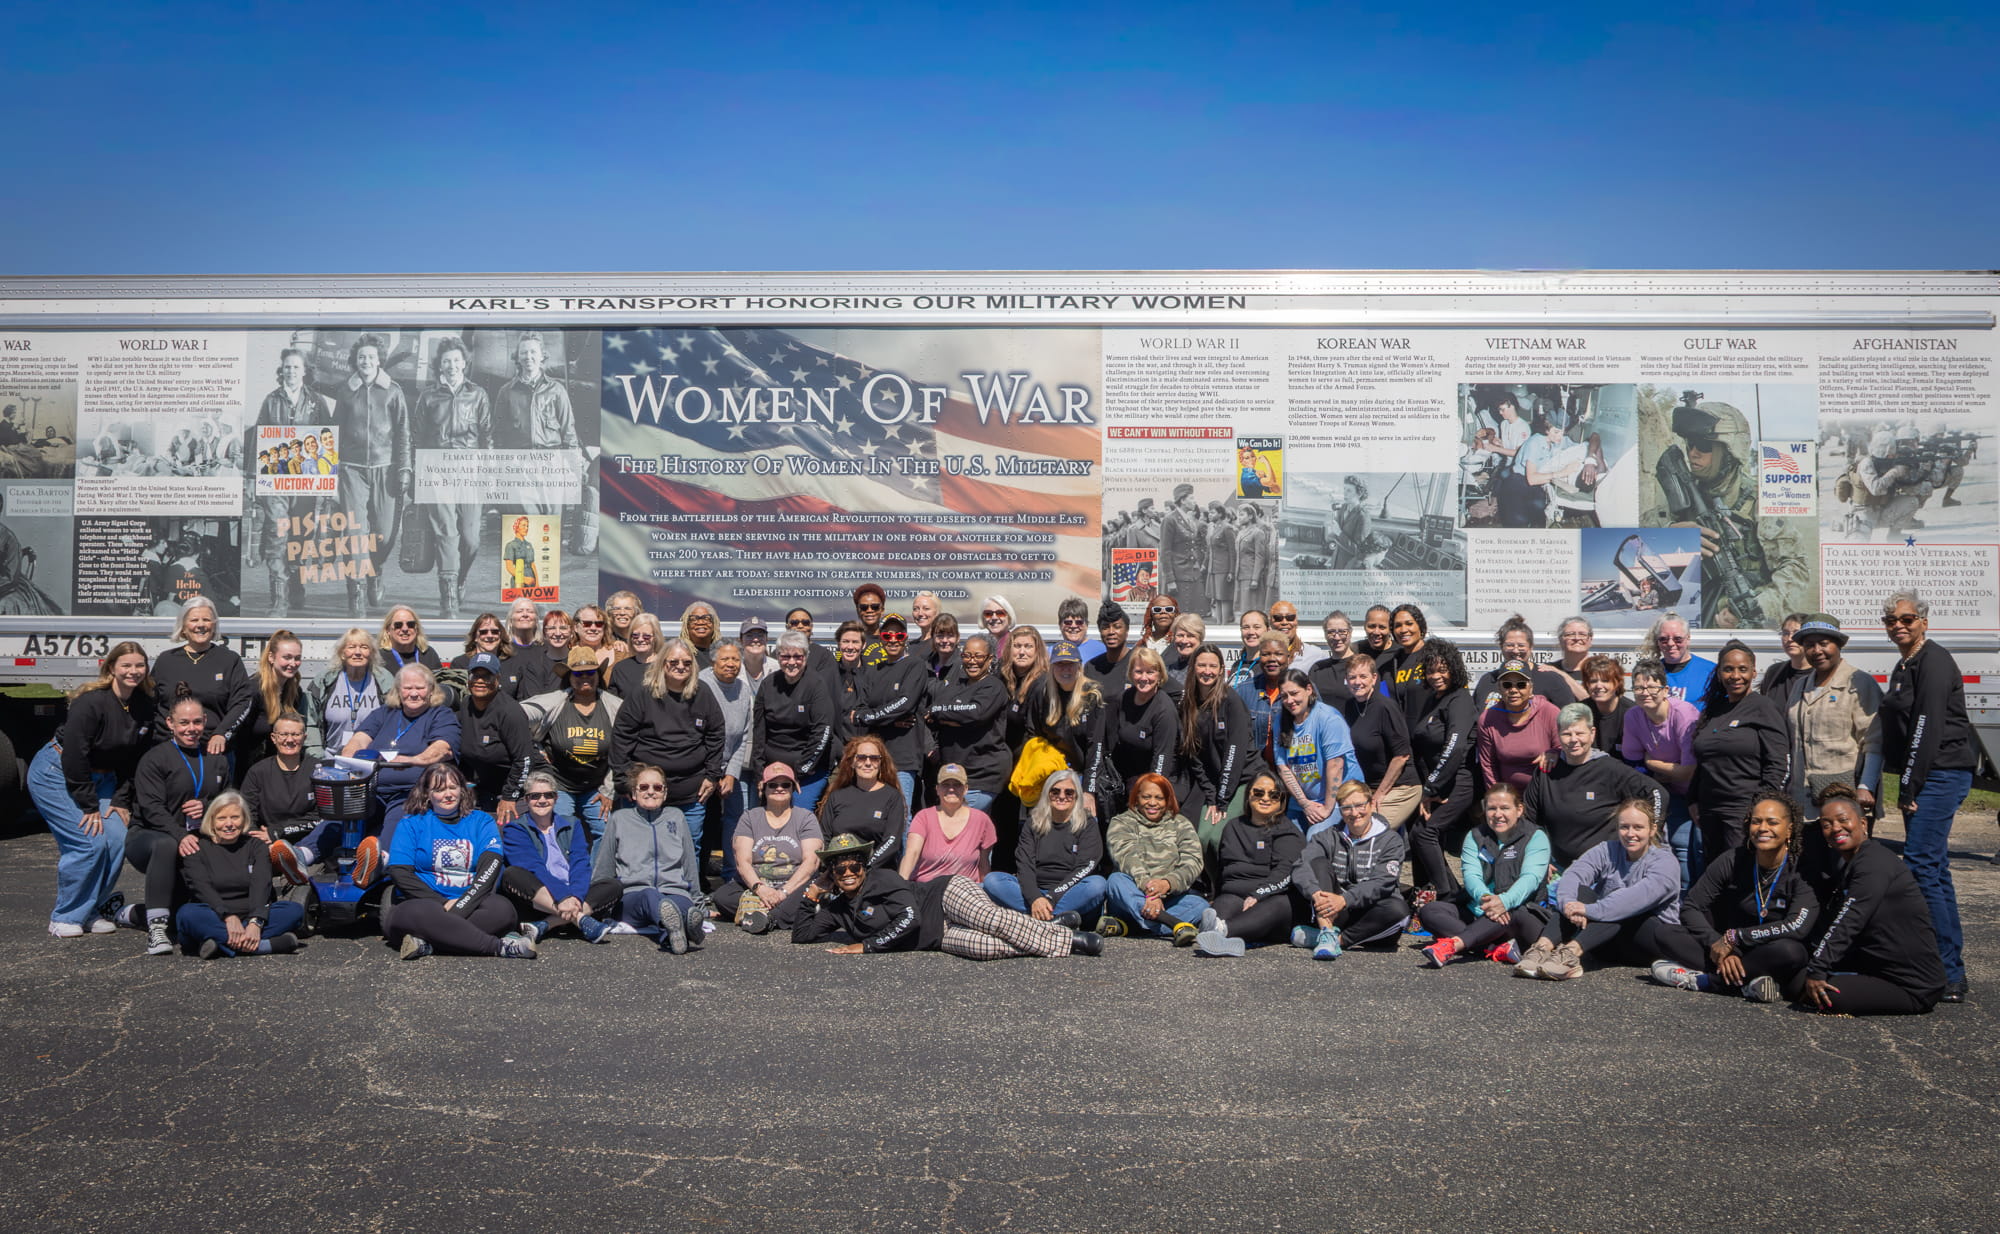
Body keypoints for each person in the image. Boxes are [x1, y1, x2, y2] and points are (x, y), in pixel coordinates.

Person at [1878, 590, 1976, 1002]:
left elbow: (1925, 726)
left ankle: (1947, 969)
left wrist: (1909, 786)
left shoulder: (1933, 661)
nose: (1898, 625)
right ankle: (1950, 967)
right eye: (1891, 621)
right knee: (1934, 868)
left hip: (1940, 774)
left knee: (1920, 863)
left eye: (1907, 619)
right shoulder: (1906, 663)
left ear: (1924, 622)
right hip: (1926, 774)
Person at [1647, 396, 1813, 627]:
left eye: (1704, 446)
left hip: (1741, 617)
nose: (1693, 453)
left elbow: (1795, 569)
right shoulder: (1681, 494)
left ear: (1730, 451)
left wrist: (1755, 607)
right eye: (1690, 444)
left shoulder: (1759, 499)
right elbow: (1639, 534)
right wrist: (1670, 534)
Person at [793, 835, 1098, 960]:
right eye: (840, 869)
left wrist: (868, 945)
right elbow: (802, 935)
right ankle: (1050, 927)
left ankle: (1071, 941)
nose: (848, 873)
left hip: (944, 895)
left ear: (864, 866)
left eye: (855, 866)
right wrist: (812, 895)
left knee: (990, 919)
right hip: (937, 935)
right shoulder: (838, 909)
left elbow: (910, 917)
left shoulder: (882, 878)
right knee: (985, 948)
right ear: (831, 873)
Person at [28, 642, 155, 937]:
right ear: (111, 668)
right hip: (59, 773)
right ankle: (64, 916)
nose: (133, 671)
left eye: (139, 665)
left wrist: (122, 799)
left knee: (117, 839)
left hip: (104, 778)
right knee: (89, 842)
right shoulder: (91, 703)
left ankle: (90, 910)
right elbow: (75, 756)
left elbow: (135, 758)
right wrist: (89, 806)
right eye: (126, 665)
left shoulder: (144, 704)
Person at [1646, 792, 1819, 1003]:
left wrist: (1736, 937)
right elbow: (1691, 906)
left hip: (1770, 952)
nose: (1763, 828)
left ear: (1789, 829)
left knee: (1792, 952)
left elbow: (1796, 926)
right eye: (1756, 821)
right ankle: (1749, 984)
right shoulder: (1733, 859)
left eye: (1772, 822)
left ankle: (1706, 981)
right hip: (1727, 949)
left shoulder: (1802, 869)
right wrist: (1718, 944)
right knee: (1666, 933)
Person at [1800, 784, 1947, 1015]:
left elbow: (1850, 920)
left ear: (1863, 824)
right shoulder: (1854, 863)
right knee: (1798, 979)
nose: (1835, 828)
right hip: (1877, 967)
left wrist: (1818, 968)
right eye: (1826, 825)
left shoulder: (1874, 863)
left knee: (1826, 994)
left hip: (1913, 985)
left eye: (1843, 820)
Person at [118, 688, 233, 954]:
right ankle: (156, 930)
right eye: (184, 722)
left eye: (197, 722)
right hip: (150, 837)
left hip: (196, 839)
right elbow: (152, 809)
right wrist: (180, 835)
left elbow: (229, 799)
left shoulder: (216, 758)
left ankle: (130, 913)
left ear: (205, 721)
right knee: (166, 845)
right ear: (170, 723)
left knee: (183, 912)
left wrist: (207, 807)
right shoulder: (155, 758)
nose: (191, 729)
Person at [1516, 797, 1680, 981]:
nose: (1630, 833)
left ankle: (1570, 954)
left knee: (1621, 907)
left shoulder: (1665, 862)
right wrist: (1569, 904)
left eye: (1638, 827)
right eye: (1624, 827)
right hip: (1607, 940)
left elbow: (1634, 899)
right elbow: (1574, 874)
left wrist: (1588, 910)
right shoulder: (1607, 850)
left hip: (1649, 944)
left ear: (1652, 830)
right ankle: (1542, 948)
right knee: (1582, 893)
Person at [382, 764, 535, 960]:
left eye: (452, 787)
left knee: (503, 911)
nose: (448, 794)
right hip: (426, 904)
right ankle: (499, 947)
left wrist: (461, 906)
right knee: (415, 913)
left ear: (462, 790)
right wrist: (442, 903)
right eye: (439, 789)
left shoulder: (481, 821)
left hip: (472, 902)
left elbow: (490, 867)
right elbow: (400, 872)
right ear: (427, 794)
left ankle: (428, 943)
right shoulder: (411, 823)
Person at [1416, 783, 1552, 970]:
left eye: (1505, 808)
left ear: (1519, 810)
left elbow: (1531, 878)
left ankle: (1454, 945)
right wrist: (1486, 900)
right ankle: (1494, 949)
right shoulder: (1475, 836)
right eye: (1492, 808)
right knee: (1430, 911)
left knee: (1516, 911)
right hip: (1482, 910)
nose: (1498, 814)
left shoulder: (1535, 836)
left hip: (1521, 914)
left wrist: (1504, 902)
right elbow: (1471, 876)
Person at [1525, 703, 1665, 872]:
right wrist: (1539, 858)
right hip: (1558, 867)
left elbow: (1657, 793)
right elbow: (1529, 819)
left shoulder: (1611, 769)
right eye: (1567, 734)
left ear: (1592, 734)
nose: (1573, 739)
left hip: (1605, 870)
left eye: (1580, 733)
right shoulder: (1546, 770)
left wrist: (1651, 832)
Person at [340, 663, 461, 859]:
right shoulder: (384, 713)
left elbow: (442, 748)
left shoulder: (441, 715)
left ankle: (379, 860)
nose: (413, 693)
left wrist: (412, 760)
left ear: (431, 690)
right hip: (373, 789)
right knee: (342, 816)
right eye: (407, 688)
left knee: (398, 820)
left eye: (420, 688)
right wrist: (348, 757)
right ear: (398, 690)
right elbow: (359, 739)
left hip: (411, 791)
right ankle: (304, 853)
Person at [609, 637, 725, 839]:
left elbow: (716, 734)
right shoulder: (642, 693)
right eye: (674, 662)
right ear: (662, 663)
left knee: (688, 847)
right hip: (646, 790)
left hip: (691, 792)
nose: (680, 666)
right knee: (642, 846)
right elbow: (621, 737)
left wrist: (712, 775)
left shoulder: (703, 693)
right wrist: (623, 780)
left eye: (687, 662)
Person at [327, 333, 409, 614]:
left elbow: (404, 434)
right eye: (362, 357)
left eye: (371, 357)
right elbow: (333, 435)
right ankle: (357, 592)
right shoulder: (345, 392)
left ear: (379, 360)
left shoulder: (394, 391)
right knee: (354, 533)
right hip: (351, 471)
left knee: (384, 534)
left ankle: (375, 570)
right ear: (356, 360)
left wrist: (404, 468)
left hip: (385, 470)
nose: (366, 361)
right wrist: (332, 473)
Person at [1688, 641, 1790, 861]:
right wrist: (1693, 800)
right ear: (1719, 673)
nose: (1735, 676)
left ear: (1753, 672)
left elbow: (1778, 763)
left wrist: (1761, 808)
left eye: (1742, 669)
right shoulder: (1713, 710)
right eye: (1728, 669)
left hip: (1743, 810)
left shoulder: (1763, 707)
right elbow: (1704, 761)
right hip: (1709, 811)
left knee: (1739, 870)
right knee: (1715, 871)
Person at [1290, 780, 1412, 960]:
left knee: (1398, 911)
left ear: (1371, 804)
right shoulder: (1328, 836)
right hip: (1335, 912)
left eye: (1360, 805)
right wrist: (1314, 892)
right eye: (1346, 808)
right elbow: (1301, 865)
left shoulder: (1391, 840)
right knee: (1318, 863)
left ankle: (1333, 940)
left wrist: (1345, 899)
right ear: (1340, 811)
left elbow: (1383, 882)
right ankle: (1327, 932)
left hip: (1371, 917)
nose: (1354, 813)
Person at [590, 762, 706, 951]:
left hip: (674, 890)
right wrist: (597, 905)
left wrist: (698, 902)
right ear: (634, 793)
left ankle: (680, 931)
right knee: (650, 895)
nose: (651, 792)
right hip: (633, 896)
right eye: (643, 787)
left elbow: (689, 864)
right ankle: (677, 932)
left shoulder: (676, 817)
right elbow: (604, 866)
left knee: (685, 906)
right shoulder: (620, 819)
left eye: (657, 787)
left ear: (665, 793)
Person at [175, 792, 305, 958]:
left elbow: (261, 884)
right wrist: (228, 917)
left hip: (250, 913)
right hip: (214, 913)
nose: (229, 824)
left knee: (294, 910)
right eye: (221, 818)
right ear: (211, 821)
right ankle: (264, 946)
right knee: (187, 914)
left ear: (244, 820)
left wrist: (256, 922)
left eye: (235, 817)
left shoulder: (256, 846)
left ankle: (219, 944)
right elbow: (201, 888)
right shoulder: (196, 847)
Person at [412, 336, 489, 617]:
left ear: (464, 363)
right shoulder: (428, 397)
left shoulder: (478, 395)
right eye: (447, 361)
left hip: (470, 471)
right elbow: (417, 437)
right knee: (446, 533)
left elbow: (487, 435)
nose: (452, 365)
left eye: (457, 360)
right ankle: (448, 598)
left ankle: (460, 579)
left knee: (470, 538)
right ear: (440, 365)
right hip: (437, 471)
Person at [249, 347, 328, 616]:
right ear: (281, 370)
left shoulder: (317, 401)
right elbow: (258, 437)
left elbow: (328, 440)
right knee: (277, 533)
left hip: (306, 480)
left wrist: (329, 480)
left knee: (301, 535)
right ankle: (279, 598)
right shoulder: (271, 400)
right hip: (276, 478)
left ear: (304, 371)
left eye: (296, 367)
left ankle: (296, 584)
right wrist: (252, 478)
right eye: (287, 367)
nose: (291, 371)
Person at [498, 771, 619, 945]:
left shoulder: (572, 824)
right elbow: (533, 867)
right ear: (526, 800)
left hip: (572, 896)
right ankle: (579, 919)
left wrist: (575, 897)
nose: (542, 800)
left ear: (556, 798)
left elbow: (580, 863)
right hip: (539, 900)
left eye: (548, 795)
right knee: (512, 874)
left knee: (613, 885)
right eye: (535, 796)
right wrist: (562, 897)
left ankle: (547, 924)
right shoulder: (516, 829)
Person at [1192, 770, 1304, 956]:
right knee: (1223, 903)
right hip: (1235, 896)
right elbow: (1223, 869)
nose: (1265, 798)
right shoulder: (1233, 827)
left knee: (1278, 904)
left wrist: (1258, 895)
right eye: (1258, 792)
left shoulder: (1287, 831)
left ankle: (1222, 931)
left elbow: (1285, 872)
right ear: (1249, 794)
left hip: (1273, 902)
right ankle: (1227, 941)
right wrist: (1217, 896)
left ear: (1281, 800)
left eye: (1273, 795)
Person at [1784, 616, 1882, 828]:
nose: (1817, 651)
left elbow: (1874, 742)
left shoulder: (1859, 683)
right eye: (1809, 645)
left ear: (1838, 645)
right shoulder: (1800, 687)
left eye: (1824, 643)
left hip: (1845, 798)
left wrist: (1866, 787)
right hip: (1802, 800)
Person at [708, 762, 823, 935]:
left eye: (785, 784)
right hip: (757, 886)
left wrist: (783, 893)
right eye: (773, 785)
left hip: (793, 887)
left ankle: (763, 916)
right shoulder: (749, 817)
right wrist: (760, 889)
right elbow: (743, 862)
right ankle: (778, 914)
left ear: (794, 788)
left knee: (811, 893)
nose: (779, 788)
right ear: (763, 787)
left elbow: (811, 862)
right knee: (723, 897)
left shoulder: (806, 818)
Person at [519, 648, 621, 842]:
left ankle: (597, 865)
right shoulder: (555, 702)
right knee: (561, 830)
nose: (585, 677)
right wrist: (537, 750)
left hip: (597, 787)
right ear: (569, 677)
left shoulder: (615, 706)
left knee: (607, 833)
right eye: (578, 673)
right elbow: (518, 715)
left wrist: (609, 790)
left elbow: (624, 750)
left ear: (598, 675)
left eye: (590, 672)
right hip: (560, 785)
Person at [983, 769, 1106, 922]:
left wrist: (1051, 898)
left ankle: (1034, 918)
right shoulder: (1033, 823)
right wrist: (1035, 897)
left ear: (1077, 796)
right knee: (993, 880)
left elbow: (1086, 867)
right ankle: (1054, 918)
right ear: (1047, 794)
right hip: (1033, 891)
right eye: (1055, 791)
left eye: (1069, 792)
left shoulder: (1087, 824)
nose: (1062, 796)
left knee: (1097, 885)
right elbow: (1024, 864)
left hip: (1068, 892)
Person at [1622, 658, 1702, 889]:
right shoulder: (1633, 716)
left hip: (1697, 790)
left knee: (1694, 848)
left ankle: (1690, 897)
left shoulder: (1684, 715)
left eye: (1651, 687)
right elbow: (1634, 762)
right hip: (1664, 791)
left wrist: (1654, 763)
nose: (1645, 693)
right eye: (1639, 688)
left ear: (1665, 690)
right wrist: (1657, 773)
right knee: (1671, 847)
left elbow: (1689, 771)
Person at [1100, 773, 1207, 944]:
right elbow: (1127, 858)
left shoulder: (1181, 823)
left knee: (1201, 905)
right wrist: (1151, 894)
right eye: (1146, 797)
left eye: (1159, 798)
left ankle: (1131, 927)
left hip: (1169, 898)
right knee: (1116, 880)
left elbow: (1193, 861)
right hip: (1132, 898)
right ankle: (1173, 923)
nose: (1152, 803)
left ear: (1168, 800)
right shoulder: (1122, 822)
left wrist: (1167, 884)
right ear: (1136, 798)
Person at [1409, 639, 1476, 906]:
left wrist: (1431, 788)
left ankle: (1447, 895)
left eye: (1442, 669)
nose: (1436, 676)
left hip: (1458, 780)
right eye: (1430, 670)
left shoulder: (1459, 699)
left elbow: (1455, 745)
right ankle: (1453, 893)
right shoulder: (1435, 699)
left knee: (1424, 833)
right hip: (1439, 782)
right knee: (1421, 834)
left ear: (1454, 669)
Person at [149, 595, 252, 765]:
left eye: (206, 619)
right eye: (194, 620)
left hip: (213, 752)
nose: (201, 625)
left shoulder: (229, 660)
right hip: (169, 751)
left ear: (214, 625)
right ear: (183, 626)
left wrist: (222, 733)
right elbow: (151, 704)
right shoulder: (166, 661)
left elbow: (243, 702)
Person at [1174, 644, 1251, 859]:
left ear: (1221, 670)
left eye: (1212, 666)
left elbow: (1234, 755)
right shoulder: (1188, 703)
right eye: (1201, 665)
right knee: (1188, 831)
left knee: (1214, 837)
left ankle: (1221, 879)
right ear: (1193, 668)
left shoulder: (1230, 700)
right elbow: (1194, 755)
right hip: (1210, 780)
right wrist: (1210, 793)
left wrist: (1221, 801)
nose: (1207, 671)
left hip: (1240, 778)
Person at [925, 632, 1008, 814]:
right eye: (967, 655)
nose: (972, 661)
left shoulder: (993, 687)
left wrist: (946, 715)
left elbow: (976, 714)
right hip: (953, 772)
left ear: (990, 659)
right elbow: (933, 709)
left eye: (978, 656)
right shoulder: (956, 685)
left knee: (958, 820)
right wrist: (952, 717)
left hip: (980, 774)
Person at [850, 613, 928, 808]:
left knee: (901, 813)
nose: (893, 640)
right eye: (887, 636)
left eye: (899, 636)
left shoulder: (915, 666)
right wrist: (891, 720)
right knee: (873, 813)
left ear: (905, 638)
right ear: (881, 639)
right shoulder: (873, 670)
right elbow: (858, 711)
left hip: (903, 758)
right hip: (873, 758)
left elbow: (905, 703)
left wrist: (870, 717)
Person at [754, 630, 838, 811]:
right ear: (778, 657)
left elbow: (822, 733)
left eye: (797, 656)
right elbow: (759, 732)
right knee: (769, 812)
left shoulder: (816, 685)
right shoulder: (768, 684)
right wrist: (761, 773)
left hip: (810, 769)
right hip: (774, 766)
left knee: (798, 812)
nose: (791, 662)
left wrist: (799, 772)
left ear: (805, 657)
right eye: (785, 656)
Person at [1026, 640, 1108, 818]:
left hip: (1083, 775)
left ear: (1079, 667)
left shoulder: (1092, 695)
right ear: (1051, 668)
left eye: (1070, 664)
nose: (1065, 670)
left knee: (1084, 823)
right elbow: (1034, 737)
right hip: (1051, 774)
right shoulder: (1042, 692)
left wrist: (1089, 791)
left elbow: (1096, 747)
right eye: (1059, 664)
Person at [250, 714, 333, 886]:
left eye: (295, 734)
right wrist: (260, 840)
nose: (289, 740)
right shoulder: (257, 772)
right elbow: (247, 814)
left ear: (304, 737)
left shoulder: (319, 771)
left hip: (307, 845)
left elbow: (322, 817)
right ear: (273, 738)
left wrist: (278, 831)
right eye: (283, 734)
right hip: (268, 844)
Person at [1340, 653, 1420, 828]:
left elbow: (1401, 756)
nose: (1357, 682)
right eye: (1352, 677)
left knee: (1370, 828)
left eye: (1363, 676)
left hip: (1400, 786)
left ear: (1374, 678)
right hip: (1368, 787)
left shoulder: (1385, 707)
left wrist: (1378, 795)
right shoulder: (1350, 706)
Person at [454, 653, 533, 824]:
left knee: (506, 830)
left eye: (487, 676)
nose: (479, 681)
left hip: (512, 789)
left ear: (497, 679)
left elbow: (524, 760)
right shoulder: (466, 704)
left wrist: (509, 797)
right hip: (480, 788)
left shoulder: (510, 712)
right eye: (475, 675)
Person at [1102, 647, 1177, 819]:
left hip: (1154, 780)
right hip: (1126, 778)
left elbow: (1161, 762)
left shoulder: (1164, 710)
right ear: (1130, 673)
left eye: (1150, 672)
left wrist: (1150, 796)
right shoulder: (1124, 698)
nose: (1144, 678)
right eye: (1138, 671)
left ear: (1159, 675)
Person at [1274, 669, 1352, 832]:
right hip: (1302, 801)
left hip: (1339, 797)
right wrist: (1304, 803)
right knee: (1285, 838)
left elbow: (1336, 765)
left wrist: (1327, 809)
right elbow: (1283, 767)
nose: (1290, 700)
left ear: (1308, 689)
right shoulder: (1280, 721)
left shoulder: (1328, 717)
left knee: (1316, 837)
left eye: (1294, 693)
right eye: (1284, 696)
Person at [698, 639, 756, 857]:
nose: (731, 664)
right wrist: (711, 772)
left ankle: (729, 872)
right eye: (725, 659)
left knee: (724, 824)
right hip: (700, 769)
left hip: (726, 769)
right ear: (713, 661)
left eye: (735, 659)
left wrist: (731, 773)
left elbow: (743, 736)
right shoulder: (700, 684)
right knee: (699, 828)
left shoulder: (743, 690)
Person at [819, 736, 907, 871]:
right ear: (852, 762)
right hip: (840, 871)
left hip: (876, 870)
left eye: (874, 758)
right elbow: (824, 836)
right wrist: (834, 868)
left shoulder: (892, 797)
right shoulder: (836, 796)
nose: (868, 763)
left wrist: (865, 867)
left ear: (881, 763)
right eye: (861, 758)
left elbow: (891, 841)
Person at [307, 628, 395, 760]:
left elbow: (394, 721)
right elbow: (310, 721)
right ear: (342, 653)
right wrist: (318, 756)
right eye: (351, 647)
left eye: (364, 647)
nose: (358, 652)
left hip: (370, 760)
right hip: (330, 760)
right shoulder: (325, 680)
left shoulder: (385, 680)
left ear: (371, 653)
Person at [900, 765, 997, 883]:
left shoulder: (981, 820)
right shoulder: (923, 817)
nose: (951, 789)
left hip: (966, 888)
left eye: (957, 785)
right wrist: (900, 888)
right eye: (946, 785)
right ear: (937, 789)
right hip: (928, 887)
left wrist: (984, 889)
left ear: (966, 789)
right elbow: (911, 854)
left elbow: (984, 865)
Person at [1475, 660, 1561, 793]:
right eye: (1507, 685)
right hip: (1508, 795)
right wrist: (1497, 796)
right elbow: (1488, 765)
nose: (1513, 690)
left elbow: (1563, 747)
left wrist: (1555, 753)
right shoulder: (1487, 719)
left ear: (1530, 688)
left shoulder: (1550, 712)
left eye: (1521, 685)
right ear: (1499, 688)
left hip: (1545, 791)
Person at [1471, 615, 1577, 708]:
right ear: (1501, 647)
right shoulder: (1488, 680)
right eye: (1510, 645)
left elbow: (1570, 715)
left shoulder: (1551, 680)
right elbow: (1476, 717)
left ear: (1531, 647)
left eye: (1521, 645)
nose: (1516, 650)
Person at [240, 630, 306, 771]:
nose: (293, 663)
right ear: (271, 657)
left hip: (279, 768)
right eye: (287, 657)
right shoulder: (253, 690)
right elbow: (239, 737)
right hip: (249, 769)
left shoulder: (295, 692)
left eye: (297, 658)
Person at [451, 612, 551, 700]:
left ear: (500, 635)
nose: (490, 635)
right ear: (475, 637)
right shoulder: (460, 663)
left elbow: (522, 698)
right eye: (483, 632)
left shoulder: (515, 662)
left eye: (494, 632)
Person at [1642, 612, 1713, 710]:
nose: (1670, 643)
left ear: (1688, 638)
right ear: (1657, 642)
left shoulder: (1710, 671)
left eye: (1677, 639)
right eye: (1663, 639)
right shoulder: (1650, 672)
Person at [999, 625, 1049, 757]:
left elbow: (1035, 732)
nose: (1022, 652)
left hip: (1029, 754)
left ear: (1037, 651)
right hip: (1003, 751)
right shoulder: (1000, 677)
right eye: (1017, 646)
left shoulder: (1043, 683)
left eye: (1028, 646)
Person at [1576, 655, 1632, 758]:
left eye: (1605, 681)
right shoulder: (1579, 711)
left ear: (1617, 683)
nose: (1598, 686)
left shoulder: (1631, 713)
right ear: (1586, 684)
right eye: (1593, 681)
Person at [606, 612, 663, 700]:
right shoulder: (621, 668)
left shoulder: (666, 666)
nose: (640, 639)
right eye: (635, 635)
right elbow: (612, 701)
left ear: (655, 638)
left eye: (646, 636)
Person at [1545, 616, 1598, 702]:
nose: (1577, 638)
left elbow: (1594, 703)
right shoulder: (1547, 670)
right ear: (1561, 640)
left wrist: (1561, 675)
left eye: (1582, 634)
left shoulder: (1599, 671)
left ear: (1590, 640)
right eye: (1570, 634)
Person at [1085, 600, 1134, 692]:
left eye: (1117, 627)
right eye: (1105, 627)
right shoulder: (1091, 668)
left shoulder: (1139, 662)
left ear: (1127, 630)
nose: (1111, 632)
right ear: (1100, 631)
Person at [378, 605, 443, 674]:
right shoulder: (379, 657)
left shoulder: (428, 654)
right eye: (398, 625)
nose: (405, 629)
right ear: (388, 630)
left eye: (410, 624)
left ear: (416, 628)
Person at [1759, 614, 1812, 697]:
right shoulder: (1774, 672)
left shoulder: (1821, 675)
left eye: (1796, 633)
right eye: (1785, 633)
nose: (1790, 639)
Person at [1057, 596, 1105, 661]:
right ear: (1060, 625)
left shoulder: (1101, 650)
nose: (1073, 626)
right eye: (1068, 622)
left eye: (1079, 622)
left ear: (1087, 625)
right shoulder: (1052, 652)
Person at [679, 601, 722, 668]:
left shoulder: (722, 652)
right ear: (686, 625)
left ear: (714, 624)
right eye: (694, 619)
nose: (700, 622)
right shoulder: (679, 651)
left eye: (706, 618)